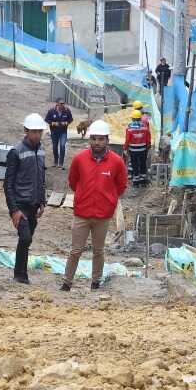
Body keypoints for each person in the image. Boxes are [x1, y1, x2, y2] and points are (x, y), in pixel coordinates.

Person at [61, 121, 128, 292]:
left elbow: (121, 185)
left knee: (98, 250)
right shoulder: (79, 159)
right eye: (94, 139)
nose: (97, 142)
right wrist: (83, 196)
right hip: (82, 214)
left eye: (100, 139)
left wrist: (109, 201)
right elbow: (73, 182)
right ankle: (67, 282)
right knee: (75, 250)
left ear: (107, 140)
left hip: (102, 216)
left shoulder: (117, 162)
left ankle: (95, 282)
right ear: (89, 139)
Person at [3, 113, 48, 285]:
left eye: (39, 132)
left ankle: (21, 274)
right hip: (20, 204)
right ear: (26, 131)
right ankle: (19, 274)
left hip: (34, 204)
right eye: (33, 132)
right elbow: (8, 184)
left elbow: (41, 178)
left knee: (26, 240)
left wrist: (42, 201)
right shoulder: (16, 152)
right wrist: (13, 210)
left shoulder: (41, 150)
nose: (37, 135)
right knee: (25, 238)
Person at [124, 108, 151, 187]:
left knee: (134, 164)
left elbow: (127, 139)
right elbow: (148, 138)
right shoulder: (144, 126)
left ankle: (136, 181)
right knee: (143, 163)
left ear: (132, 118)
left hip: (133, 150)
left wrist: (125, 148)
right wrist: (148, 146)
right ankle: (143, 180)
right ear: (140, 117)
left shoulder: (129, 127)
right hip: (143, 149)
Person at [44, 99, 74, 168]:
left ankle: (61, 163)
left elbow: (71, 119)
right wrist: (52, 123)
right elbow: (46, 119)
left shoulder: (67, 110)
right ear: (57, 103)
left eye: (63, 103)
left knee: (62, 146)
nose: (62, 105)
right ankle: (55, 162)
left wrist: (66, 123)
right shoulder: (51, 111)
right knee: (55, 146)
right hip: (54, 132)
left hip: (63, 132)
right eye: (61, 103)